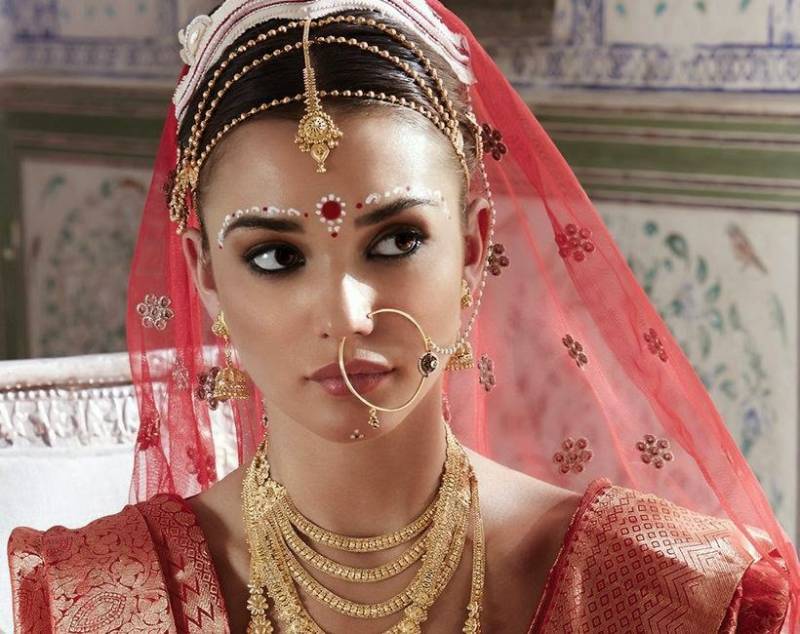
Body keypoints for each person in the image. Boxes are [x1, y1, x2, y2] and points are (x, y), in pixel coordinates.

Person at [7, 0, 798, 632]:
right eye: (276, 256)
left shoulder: (664, 592)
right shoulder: (104, 597)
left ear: (471, 247)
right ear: (204, 272)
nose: (347, 314)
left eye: (395, 242)